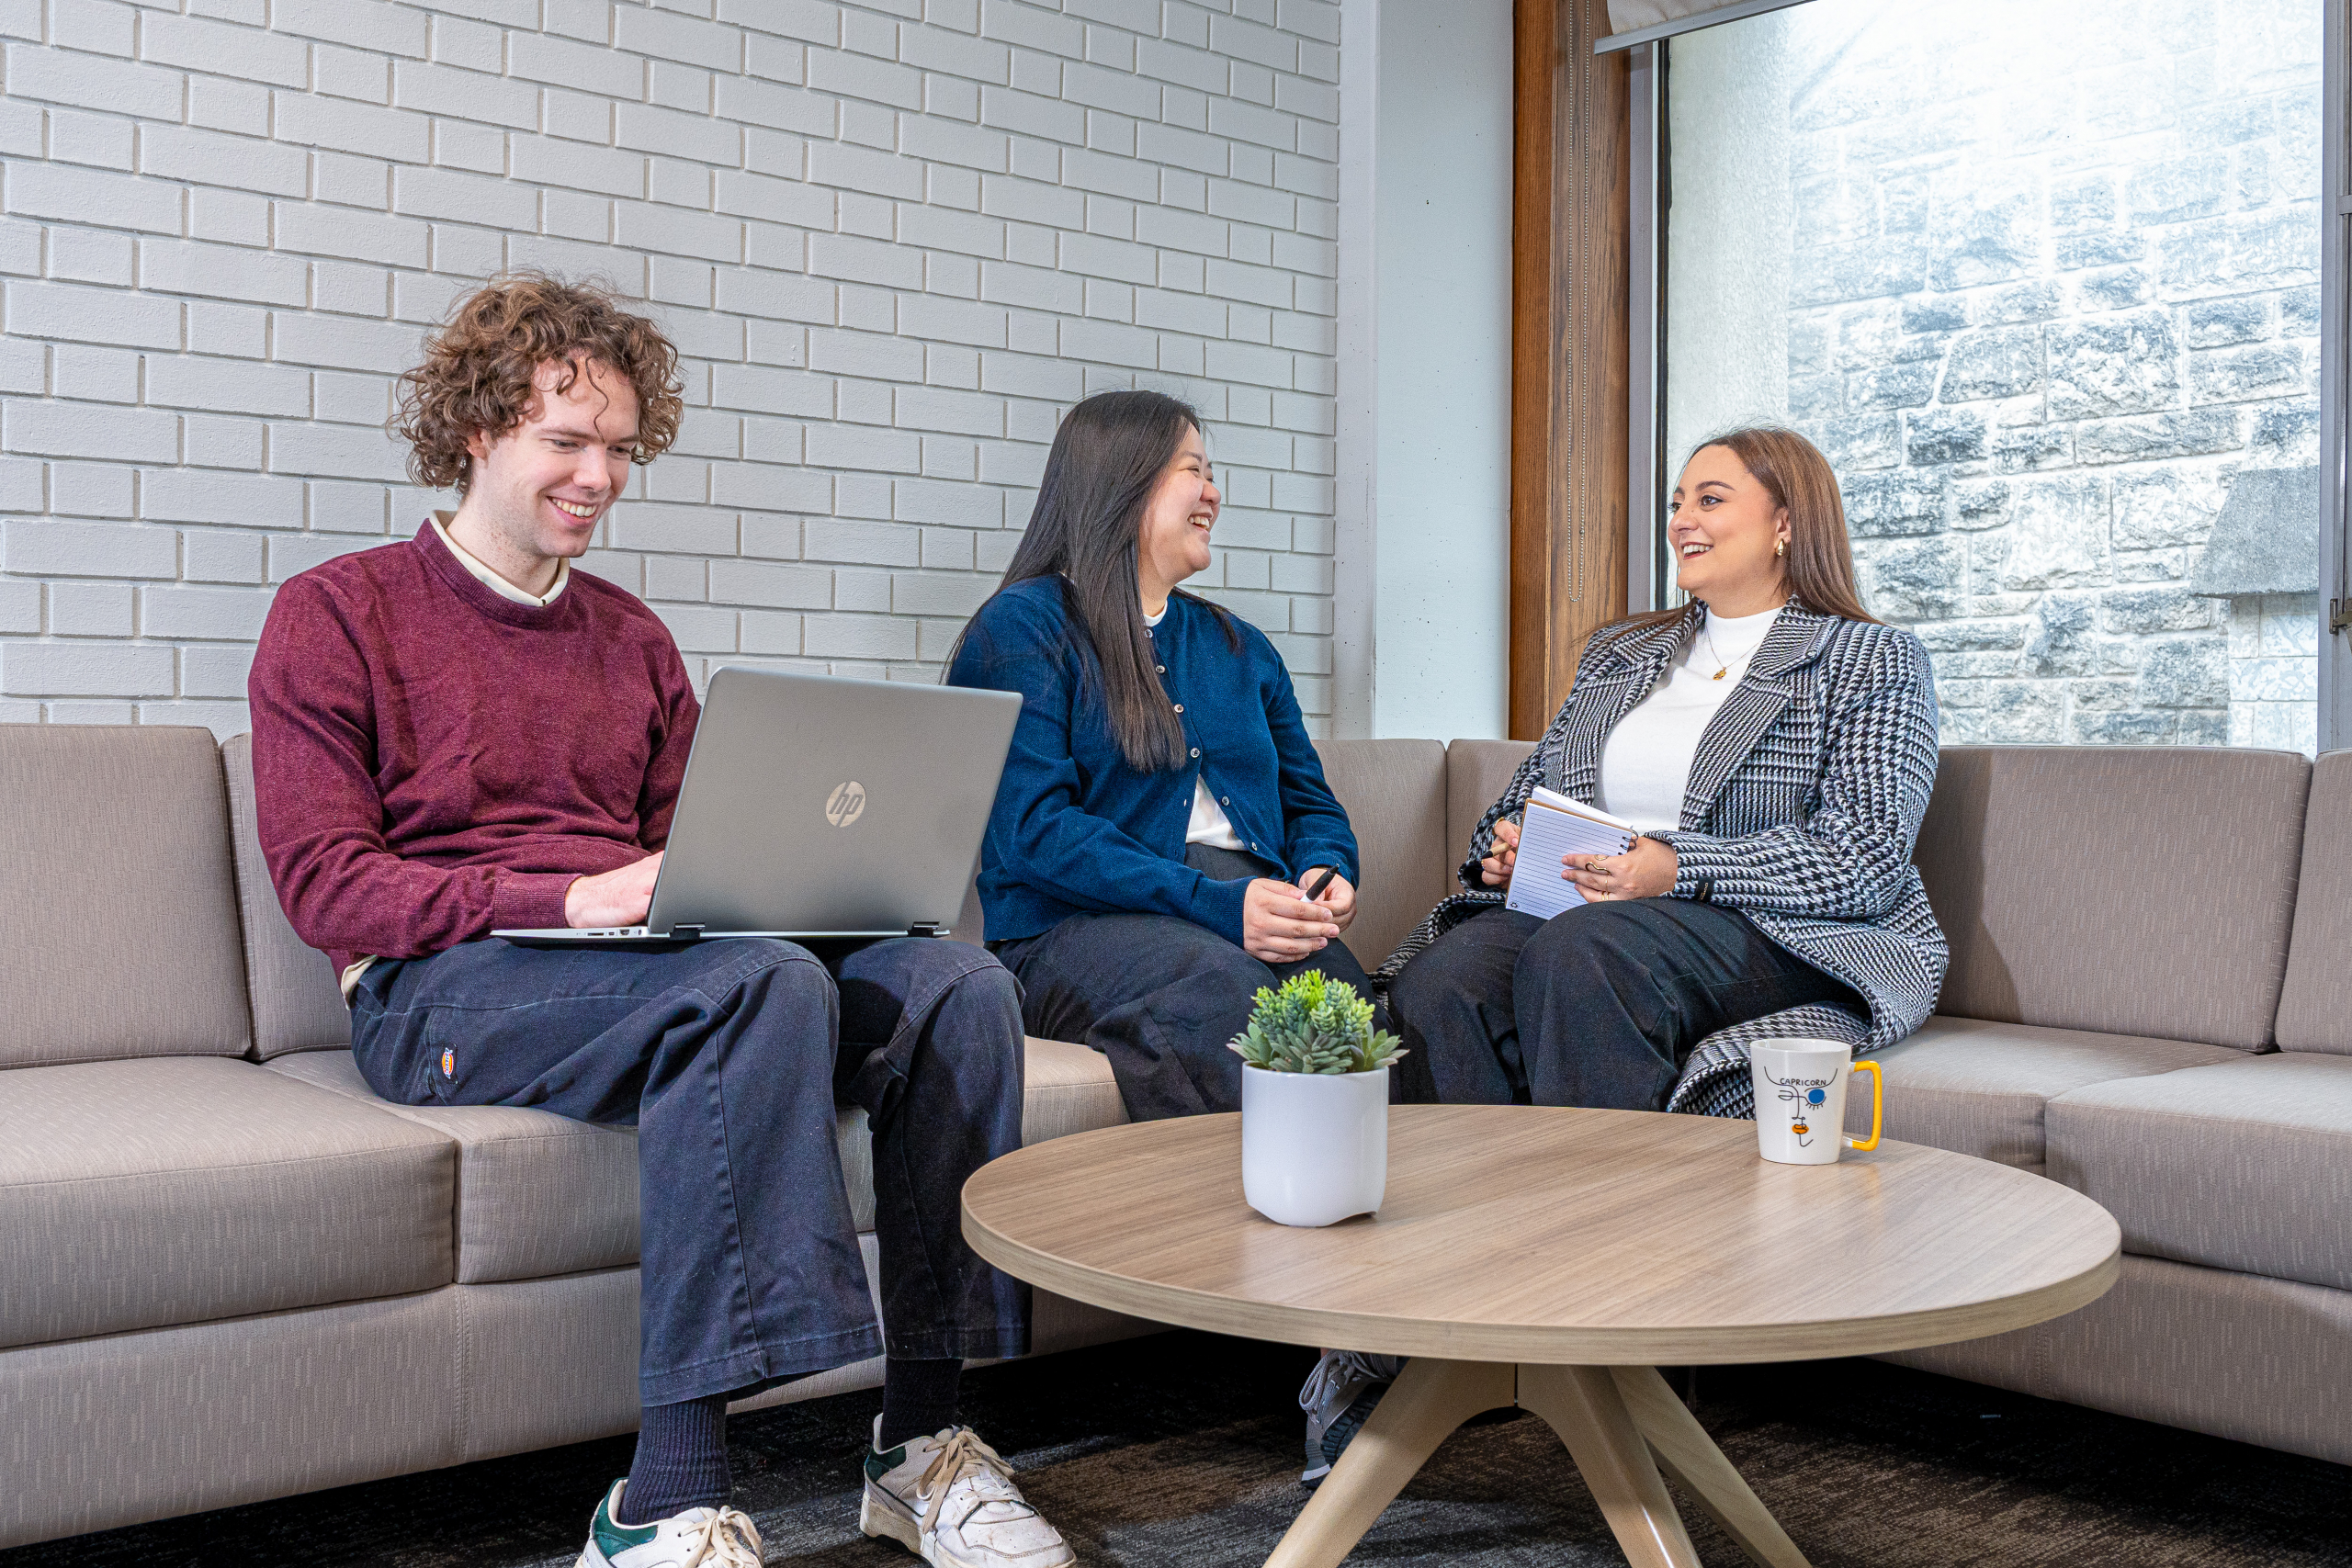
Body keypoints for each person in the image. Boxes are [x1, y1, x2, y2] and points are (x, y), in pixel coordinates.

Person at [248, 274, 1071, 1568]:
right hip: (441, 987)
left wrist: (815, 890)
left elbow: (705, 849)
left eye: (621, 448)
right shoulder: (338, 611)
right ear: (475, 429)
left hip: (646, 967)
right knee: (758, 988)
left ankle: (920, 1445)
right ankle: (658, 1501)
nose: (601, 475)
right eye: (566, 441)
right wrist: (566, 895)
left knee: (955, 983)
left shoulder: (631, 637)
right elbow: (327, 885)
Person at [1298, 426, 1949, 1483]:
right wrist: (1502, 849)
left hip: (1777, 927)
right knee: (1444, 981)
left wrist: (1673, 866)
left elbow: (1862, 858)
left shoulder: (1866, 658)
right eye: (1677, 500)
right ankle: (1463, 1298)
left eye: (1711, 501)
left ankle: (1607, 1320)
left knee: (1585, 959)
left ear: (1787, 523)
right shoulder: (1624, 652)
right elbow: (1526, 795)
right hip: (1594, 914)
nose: (1681, 520)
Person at [944, 389, 1375, 1122]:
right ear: (1124, 481)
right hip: (1068, 930)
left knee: (1356, 1019)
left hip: (1238, 907)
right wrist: (1216, 903)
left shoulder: (1240, 647)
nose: (1214, 493)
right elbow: (1036, 832)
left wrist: (1325, 870)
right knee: (1230, 997)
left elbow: (1311, 803)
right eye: (1192, 470)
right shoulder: (1023, 628)